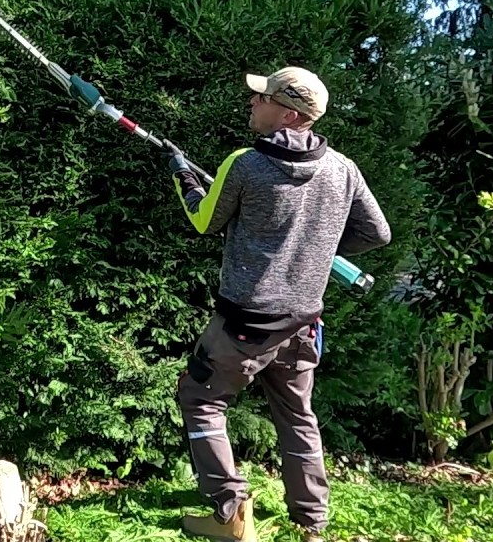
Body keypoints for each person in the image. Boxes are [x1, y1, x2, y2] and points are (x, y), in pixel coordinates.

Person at [161, 66, 392, 542]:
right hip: (302, 324)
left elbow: (205, 220)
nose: (252, 102)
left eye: (262, 98)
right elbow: (377, 233)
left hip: (243, 325)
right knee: (297, 416)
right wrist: (318, 244)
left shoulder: (244, 163)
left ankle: (229, 512)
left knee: (200, 400)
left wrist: (183, 175)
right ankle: (313, 526)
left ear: (288, 113)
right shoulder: (342, 168)